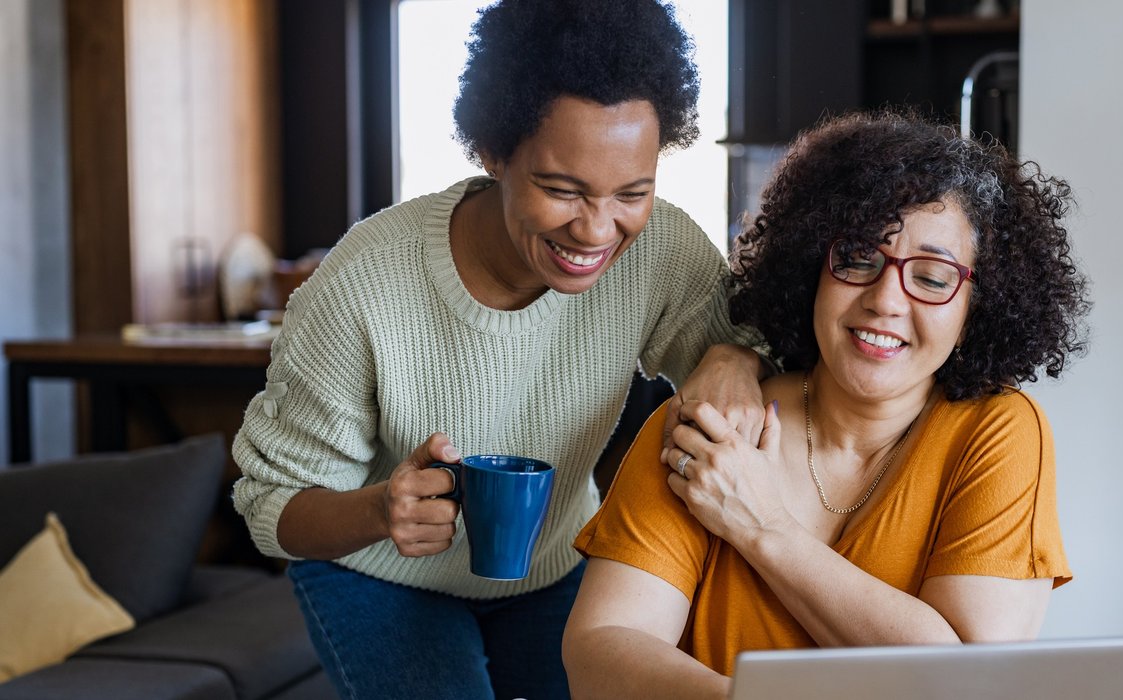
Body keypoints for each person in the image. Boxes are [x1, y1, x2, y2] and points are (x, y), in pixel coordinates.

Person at [230, 1, 768, 698]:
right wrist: (378, 510)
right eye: (560, 189)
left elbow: (756, 342)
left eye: (632, 192)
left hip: (552, 564)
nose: (597, 230)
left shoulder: (662, 250)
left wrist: (734, 356)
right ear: (491, 150)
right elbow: (271, 502)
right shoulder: (363, 283)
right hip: (376, 571)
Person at [563, 110, 1092, 699]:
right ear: (812, 267)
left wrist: (763, 527)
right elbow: (601, 650)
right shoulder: (711, 425)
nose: (886, 300)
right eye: (858, 258)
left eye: (933, 277)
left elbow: (968, 684)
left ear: (976, 308)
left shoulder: (998, 433)